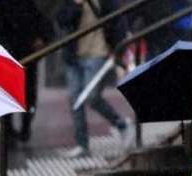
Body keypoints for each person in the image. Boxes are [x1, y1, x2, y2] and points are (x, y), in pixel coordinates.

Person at [57, 0, 134, 158]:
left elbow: (118, 24)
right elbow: (62, 20)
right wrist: (76, 6)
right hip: (75, 56)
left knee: (92, 97)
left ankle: (122, 124)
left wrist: (117, 49)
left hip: (98, 54)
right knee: (75, 99)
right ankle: (82, 144)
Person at [0, 0, 54, 143]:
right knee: (9, 91)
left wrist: (42, 36)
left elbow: (40, 11)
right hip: (7, 44)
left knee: (26, 91)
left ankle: (22, 128)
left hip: (24, 43)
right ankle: (9, 130)